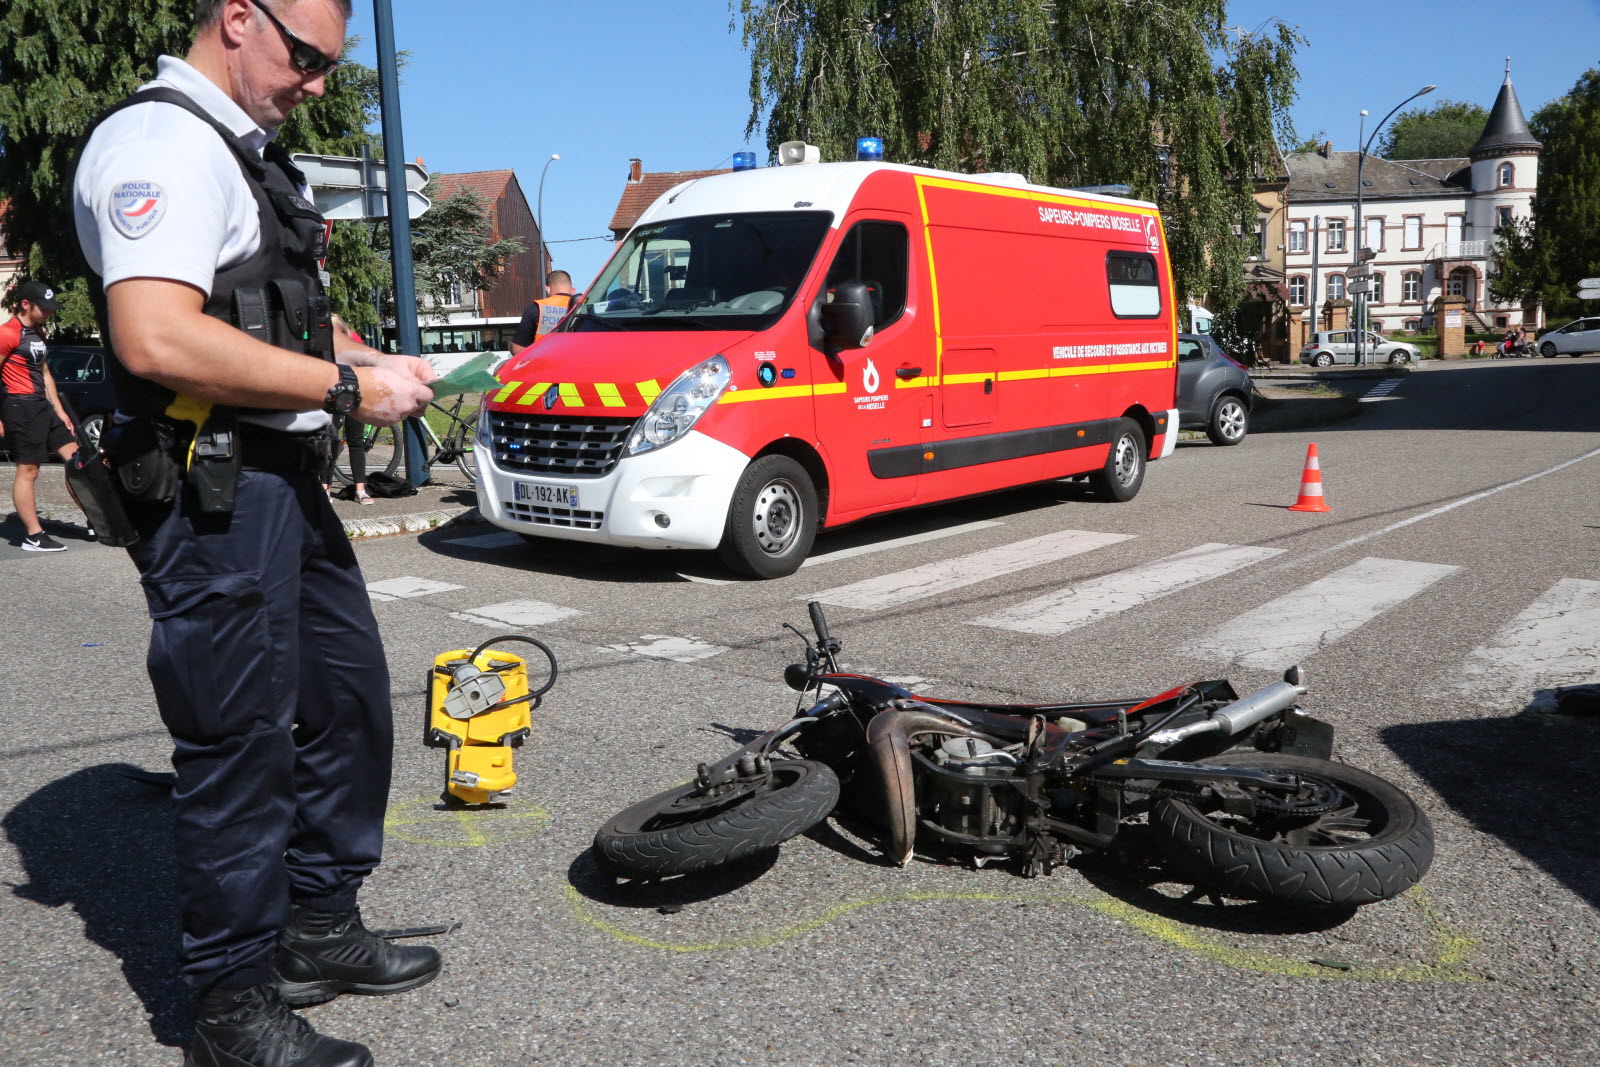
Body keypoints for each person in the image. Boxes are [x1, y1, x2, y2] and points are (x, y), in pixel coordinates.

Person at [72, 3, 439, 1064]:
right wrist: (341, 386)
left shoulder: (238, 151)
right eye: (308, 56)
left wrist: (367, 357)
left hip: (276, 473)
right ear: (239, 15)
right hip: (208, 486)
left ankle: (317, 927)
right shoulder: (160, 144)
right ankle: (231, 1006)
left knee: (345, 695)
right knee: (240, 739)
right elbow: (154, 332)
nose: (320, 82)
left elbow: (260, 301)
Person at [1, 281, 81, 551]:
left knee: (78, 461)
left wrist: (59, 411)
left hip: (42, 406)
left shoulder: (37, 333)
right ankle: (33, 536)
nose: (48, 313)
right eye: (44, 308)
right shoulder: (7, 334)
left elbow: (45, 374)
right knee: (29, 470)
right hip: (19, 406)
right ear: (26, 304)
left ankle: (99, 521)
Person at [322, 314, 371, 504]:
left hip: (355, 393)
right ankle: (325, 487)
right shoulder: (323, 344)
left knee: (356, 440)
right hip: (332, 393)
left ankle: (361, 489)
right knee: (330, 441)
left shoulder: (354, 341)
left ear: (344, 331)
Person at [508, 269, 580, 355]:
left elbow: (518, 349)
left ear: (547, 289)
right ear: (573, 290)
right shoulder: (583, 308)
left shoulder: (536, 308)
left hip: (544, 363)